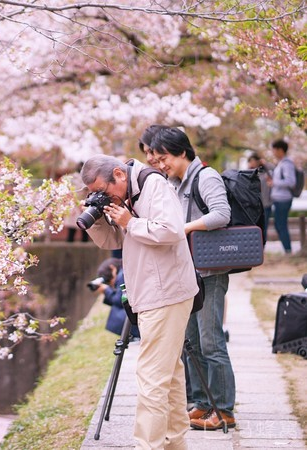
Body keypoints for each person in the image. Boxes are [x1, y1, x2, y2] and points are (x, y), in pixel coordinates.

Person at [81, 154, 198, 449]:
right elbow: (112, 241)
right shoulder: (124, 194)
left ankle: (148, 445)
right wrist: (95, 219)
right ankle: (174, 443)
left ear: (119, 175)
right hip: (148, 293)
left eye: (103, 192)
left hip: (166, 293)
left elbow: (172, 230)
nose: (103, 197)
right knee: (168, 374)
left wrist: (130, 222)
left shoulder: (153, 185)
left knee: (151, 378)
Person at [150, 127, 235, 431]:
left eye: (164, 158)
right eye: (157, 160)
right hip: (187, 273)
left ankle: (224, 410)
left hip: (210, 272)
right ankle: (201, 403)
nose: (161, 164)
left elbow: (221, 214)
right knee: (192, 343)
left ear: (182, 152)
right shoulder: (173, 182)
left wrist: (185, 228)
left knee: (212, 342)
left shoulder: (206, 176)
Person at [92, 257, 140, 338]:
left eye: (110, 280)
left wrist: (106, 290)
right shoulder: (124, 270)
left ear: (112, 268)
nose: (112, 283)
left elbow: (120, 300)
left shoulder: (122, 274)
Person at [268, 139, 296, 254]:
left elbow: (291, 182)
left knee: (281, 225)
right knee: (279, 224)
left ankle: (288, 250)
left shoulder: (287, 164)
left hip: (283, 199)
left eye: (274, 150)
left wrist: (274, 183)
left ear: (280, 150)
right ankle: (287, 250)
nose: (273, 152)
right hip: (279, 199)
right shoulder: (281, 163)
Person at [247, 152, 273, 236]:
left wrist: (265, 163)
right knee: (255, 226)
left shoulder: (265, 172)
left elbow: (274, 168)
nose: (252, 163)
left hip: (266, 203)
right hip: (255, 205)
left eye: (253, 161)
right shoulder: (248, 173)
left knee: (264, 226)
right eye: (250, 161)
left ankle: (262, 246)